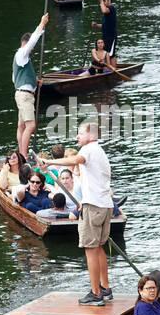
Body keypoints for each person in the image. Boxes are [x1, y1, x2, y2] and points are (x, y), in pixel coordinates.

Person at [42, 122, 112, 305]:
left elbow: (74, 161)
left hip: (93, 206)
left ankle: (96, 293)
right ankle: (105, 288)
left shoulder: (88, 149)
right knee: (99, 247)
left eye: (80, 133)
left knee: (90, 249)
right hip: (105, 205)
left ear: (91, 135)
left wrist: (49, 162)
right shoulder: (100, 151)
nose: (77, 137)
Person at [12, 14, 49, 158]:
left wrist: (34, 82)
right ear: (25, 44)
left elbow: (15, 78)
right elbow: (33, 41)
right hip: (25, 96)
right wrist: (41, 24)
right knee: (31, 126)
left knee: (21, 126)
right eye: (30, 47)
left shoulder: (21, 59)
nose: (32, 50)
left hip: (22, 93)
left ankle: (21, 154)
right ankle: (24, 155)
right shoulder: (21, 53)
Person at [90, 0, 118, 70]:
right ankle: (106, 68)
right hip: (105, 36)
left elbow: (104, 10)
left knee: (111, 54)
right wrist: (96, 25)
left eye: (105, 1)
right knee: (105, 52)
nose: (104, 3)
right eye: (103, 1)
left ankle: (113, 69)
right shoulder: (105, 14)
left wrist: (101, 1)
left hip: (111, 36)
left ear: (109, 1)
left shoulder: (111, 8)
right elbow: (104, 25)